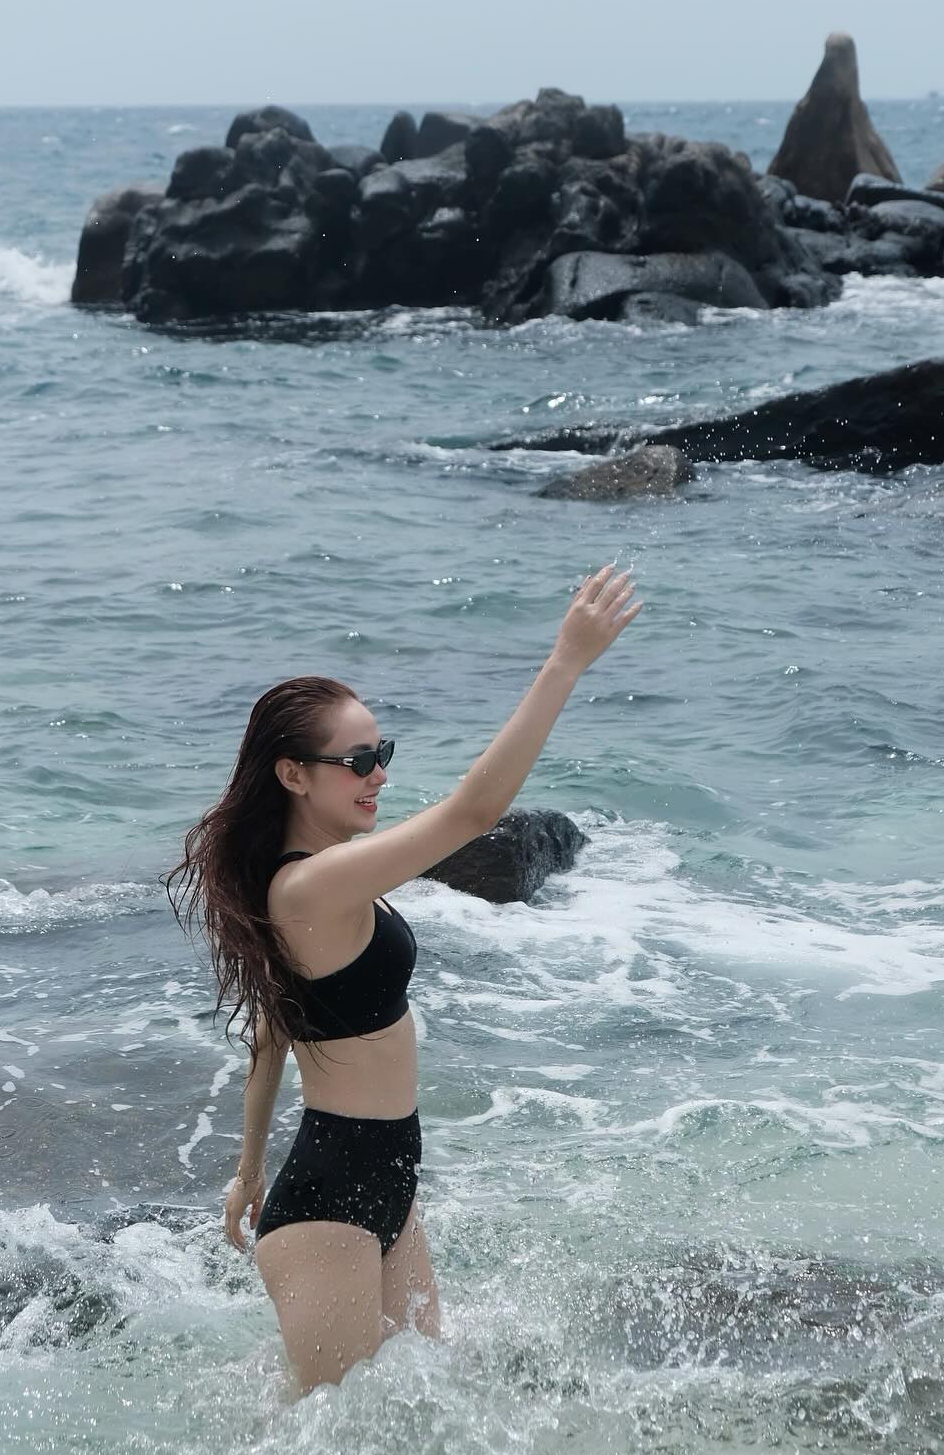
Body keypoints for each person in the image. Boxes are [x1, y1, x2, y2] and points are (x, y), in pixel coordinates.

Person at [165, 564, 641, 1393]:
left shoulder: (329, 879)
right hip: (329, 1200)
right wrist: (565, 662)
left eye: (380, 754)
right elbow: (472, 815)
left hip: (387, 1180)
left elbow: (271, 1033)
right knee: (323, 1435)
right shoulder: (307, 887)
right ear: (293, 774)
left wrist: (247, 1170)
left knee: (415, 1411)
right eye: (358, 760)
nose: (378, 774)